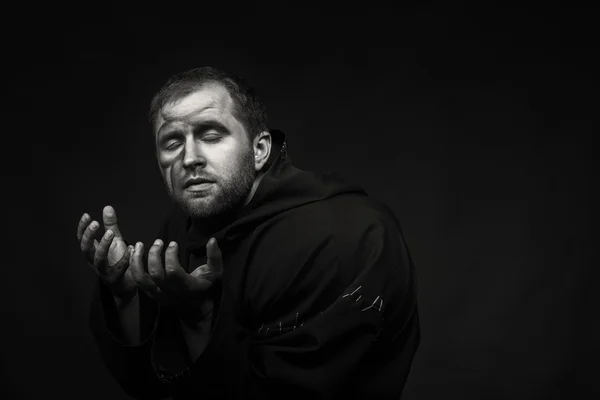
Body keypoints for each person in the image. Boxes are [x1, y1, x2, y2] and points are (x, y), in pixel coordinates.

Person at [77, 66, 420, 399]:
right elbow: (156, 383)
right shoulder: (185, 225)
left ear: (260, 150)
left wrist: (199, 319)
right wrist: (125, 296)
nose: (189, 158)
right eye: (171, 142)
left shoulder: (345, 238)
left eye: (210, 135)